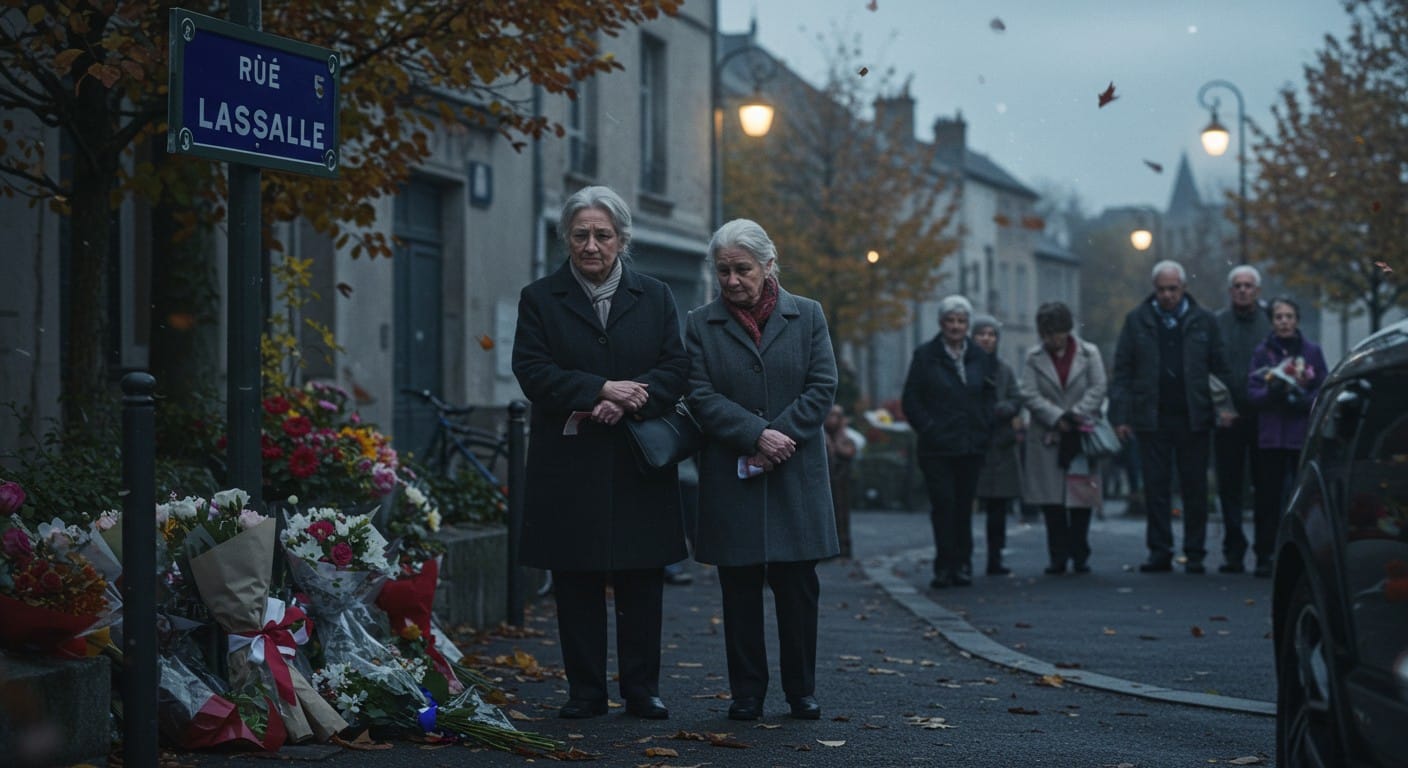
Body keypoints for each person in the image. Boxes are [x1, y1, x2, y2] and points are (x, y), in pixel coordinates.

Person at [511, 185, 690, 721]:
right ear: (567, 237)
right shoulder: (540, 298)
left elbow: (676, 369)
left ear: (622, 240)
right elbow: (533, 371)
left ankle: (642, 690)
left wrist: (631, 397)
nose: (591, 245)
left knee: (641, 581)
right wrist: (599, 389)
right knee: (576, 580)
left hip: (638, 463)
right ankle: (585, 691)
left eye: (603, 235)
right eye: (581, 234)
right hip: (569, 467)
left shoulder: (655, 295)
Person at [685, 218, 839, 722]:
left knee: (798, 589)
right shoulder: (701, 324)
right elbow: (699, 395)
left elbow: (821, 385)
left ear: (769, 266)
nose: (731, 280)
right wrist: (754, 435)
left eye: (743, 269)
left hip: (795, 475)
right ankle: (746, 693)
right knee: (740, 589)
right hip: (733, 476)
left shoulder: (809, 315)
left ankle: (802, 691)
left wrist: (780, 436)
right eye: (723, 270)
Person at [1110, 260, 1233, 574]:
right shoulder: (1137, 321)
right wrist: (1121, 416)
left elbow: (1220, 368)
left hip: (1194, 417)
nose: (1167, 295)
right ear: (1155, 289)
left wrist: (1224, 407)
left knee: (1194, 488)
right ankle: (1160, 551)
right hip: (1152, 417)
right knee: (1156, 488)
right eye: (1162, 289)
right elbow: (1122, 371)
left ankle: (1195, 552)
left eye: (1172, 289)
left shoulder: (1204, 321)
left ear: (1183, 288)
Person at [901, 295, 997, 589]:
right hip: (937, 447)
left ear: (967, 325)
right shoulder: (926, 355)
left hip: (970, 445)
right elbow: (911, 400)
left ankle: (963, 564)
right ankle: (944, 565)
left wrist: (983, 427)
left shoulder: (979, 357)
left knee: (964, 507)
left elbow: (989, 396)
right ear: (942, 324)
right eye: (951, 321)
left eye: (961, 321)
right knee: (943, 506)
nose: (956, 326)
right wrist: (929, 428)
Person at [1019, 302, 1108, 574]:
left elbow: (1099, 387)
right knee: (1052, 501)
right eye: (1046, 334)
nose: (1051, 340)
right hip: (1048, 434)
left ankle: (1080, 551)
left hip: (1080, 433)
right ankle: (1057, 554)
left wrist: (1075, 415)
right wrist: (1057, 416)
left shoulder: (1089, 353)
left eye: (1056, 333)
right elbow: (1029, 393)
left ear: (1066, 330)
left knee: (1081, 495)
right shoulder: (1033, 357)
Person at [1246, 297, 1327, 578]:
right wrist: (1273, 393)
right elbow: (1252, 391)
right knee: (1267, 499)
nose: (1283, 321)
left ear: (1297, 320)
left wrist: (1303, 399)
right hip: (1271, 437)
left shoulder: (1311, 352)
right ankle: (1264, 553)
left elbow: (1322, 388)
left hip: (1298, 435)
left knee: (1300, 498)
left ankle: (1301, 555)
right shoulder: (1262, 353)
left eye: (1289, 316)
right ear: (1272, 321)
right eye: (1278, 317)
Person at [1213, 265, 1272, 574]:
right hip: (1228, 417)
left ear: (1257, 290)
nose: (1243, 290)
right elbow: (1207, 369)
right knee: (1230, 488)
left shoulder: (1271, 322)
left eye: (1248, 285)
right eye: (1237, 285)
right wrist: (1218, 408)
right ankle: (1233, 550)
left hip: (1263, 417)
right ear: (1230, 290)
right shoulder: (1217, 324)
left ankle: (1265, 551)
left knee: (1266, 488)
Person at [970, 315, 1022, 576]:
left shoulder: (1004, 370)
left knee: (998, 508)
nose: (987, 339)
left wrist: (1007, 408)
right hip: (975, 443)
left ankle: (995, 556)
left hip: (1000, 445)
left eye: (991, 334)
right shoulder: (966, 367)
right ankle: (963, 558)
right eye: (982, 334)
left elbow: (1016, 396)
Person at [824, 404, 858, 559]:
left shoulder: (845, 438)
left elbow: (849, 451)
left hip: (841, 484)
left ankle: (844, 547)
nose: (833, 419)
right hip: (825, 485)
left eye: (836, 416)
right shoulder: (821, 437)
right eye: (830, 415)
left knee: (842, 514)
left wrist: (837, 440)